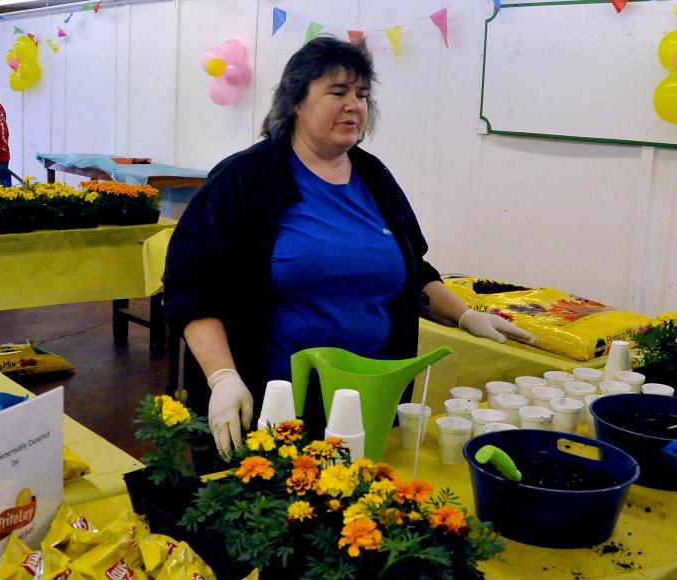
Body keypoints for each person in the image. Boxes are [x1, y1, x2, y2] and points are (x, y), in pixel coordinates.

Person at [163, 36, 535, 460]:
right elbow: (190, 287)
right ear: (296, 103)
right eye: (337, 92)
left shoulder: (374, 178)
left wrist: (466, 316)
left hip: (368, 407)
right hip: (271, 411)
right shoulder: (246, 179)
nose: (354, 105)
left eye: (362, 94)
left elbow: (413, 271)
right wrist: (223, 377)